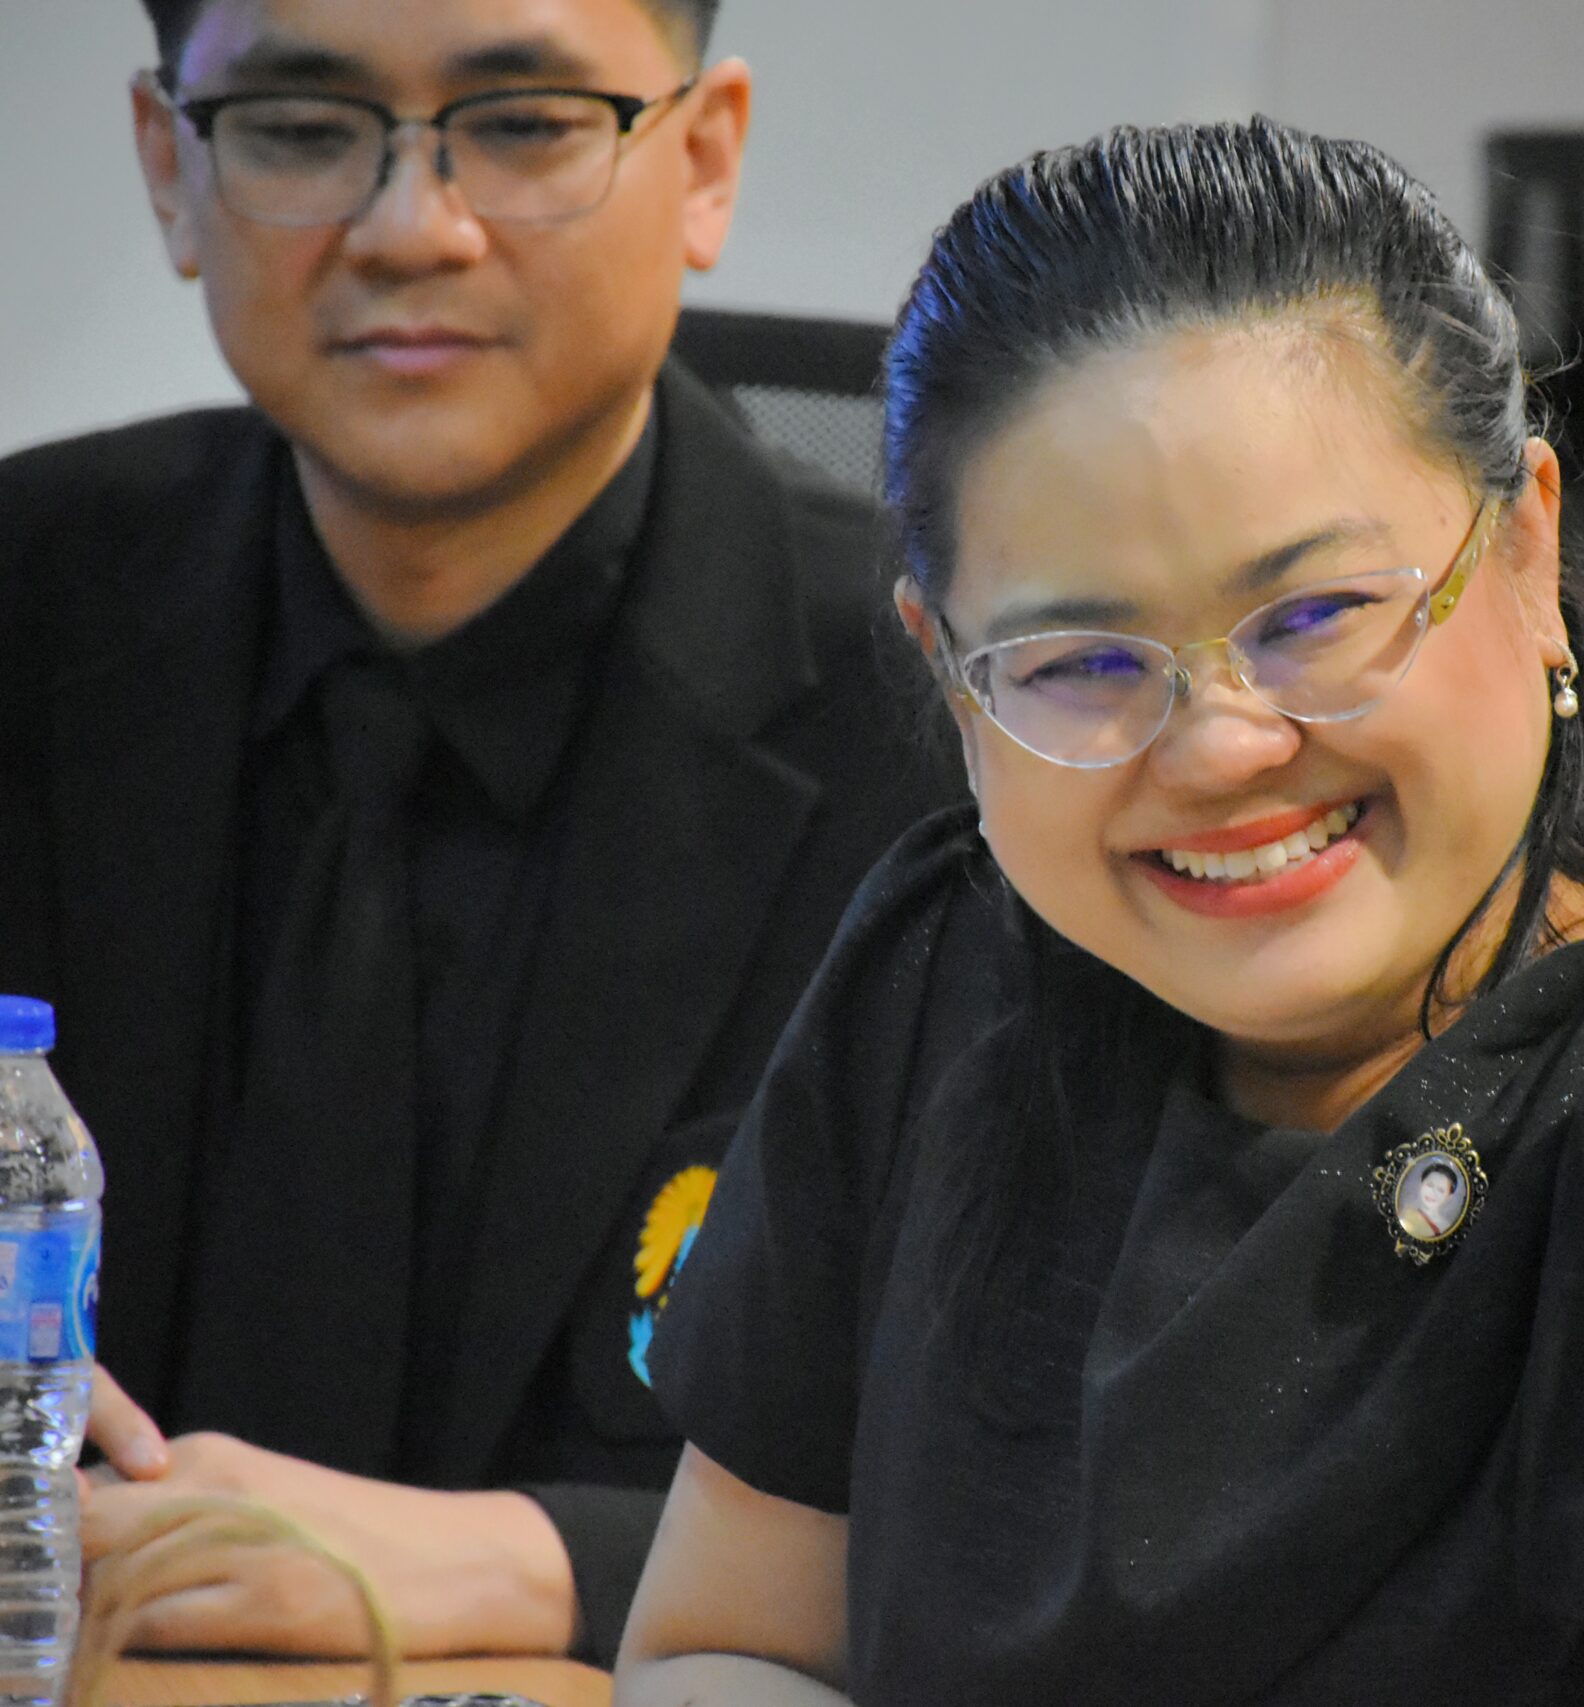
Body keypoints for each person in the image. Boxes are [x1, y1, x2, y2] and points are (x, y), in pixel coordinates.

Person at [617, 119, 1584, 1704]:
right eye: (1082, 663)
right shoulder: (945, 988)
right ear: (950, 674)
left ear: (1529, 548)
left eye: (1316, 617)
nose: (1218, 748)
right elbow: (727, 1643)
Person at [0, 0, 956, 1667]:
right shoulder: (28, 608)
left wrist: (535, 1562)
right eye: (303, 129)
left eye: (521, 124)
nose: (411, 229)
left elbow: (1068, 1480)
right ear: (170, 165)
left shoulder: (960, 719)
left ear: (704, 158)